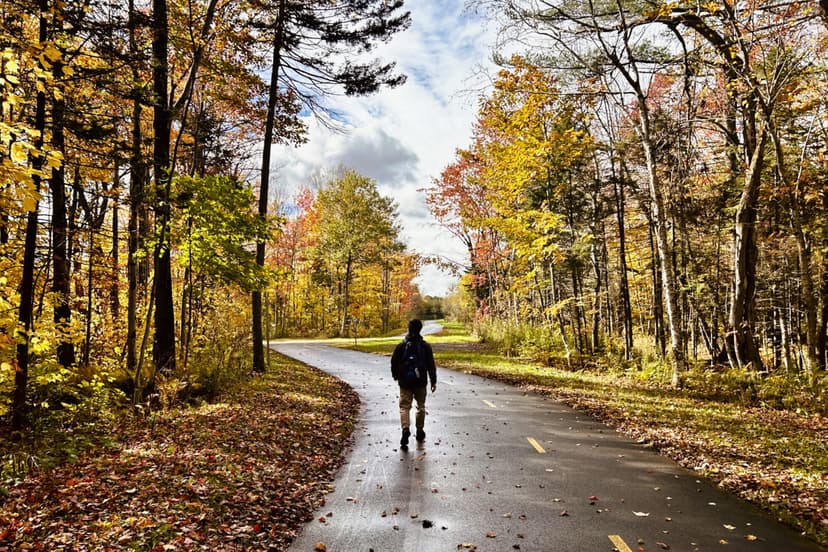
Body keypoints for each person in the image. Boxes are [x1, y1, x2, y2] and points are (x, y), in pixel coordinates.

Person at [390, 319, 437, 448]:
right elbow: (431, 365)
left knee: (404, 407)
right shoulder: (425, 346)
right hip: (420, 381)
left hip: (405, 382)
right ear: (420, 329)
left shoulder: (402, 346)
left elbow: (394, 362)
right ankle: (420, 430)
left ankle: (405, 428)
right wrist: (433, 380)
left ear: (409, 329)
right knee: (420, 406)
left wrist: (396, 376)